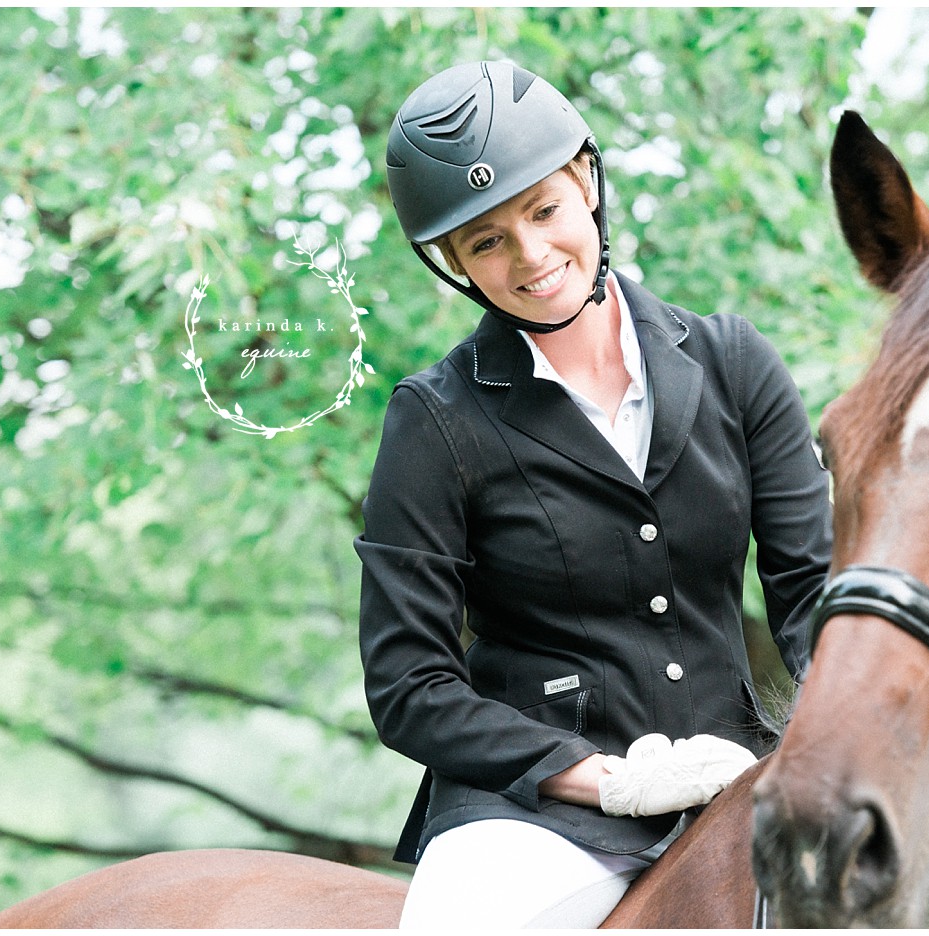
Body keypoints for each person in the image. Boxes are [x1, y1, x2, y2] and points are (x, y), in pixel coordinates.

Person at [354, 61, 832, 929]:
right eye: (486, 242)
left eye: (543, 211)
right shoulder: (435, 421)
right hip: (530, 816)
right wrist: (602, 779)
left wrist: (840, 734)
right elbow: (408, 685)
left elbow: (810, 593)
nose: (531, 256)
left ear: (585, 182)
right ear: (455, 264)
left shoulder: (732, 362)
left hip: (739, 774)